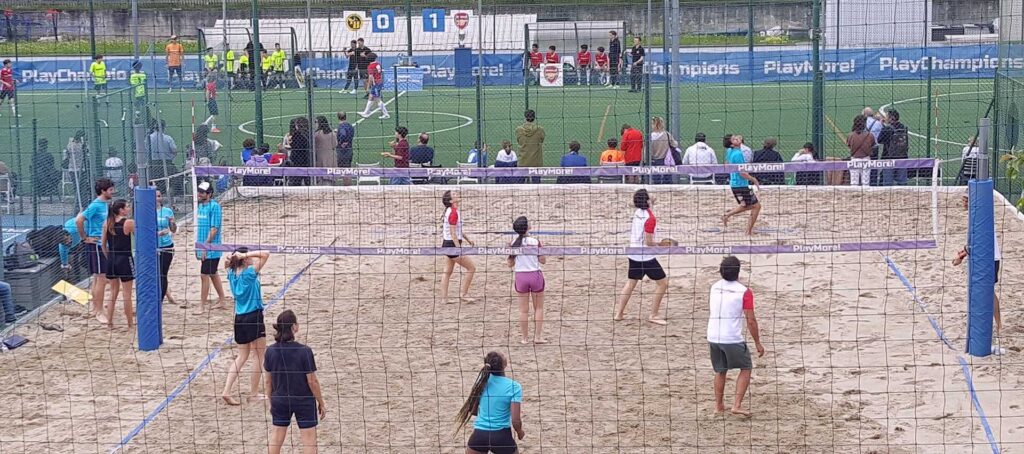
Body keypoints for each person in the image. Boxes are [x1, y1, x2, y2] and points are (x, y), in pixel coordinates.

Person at [707, 256, 765, 417]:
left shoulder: (714, 287)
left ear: (721, 271)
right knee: (746, 368)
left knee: (720, 371)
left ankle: (718, 406)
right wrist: (758, 343)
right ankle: (736, 405)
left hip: (713, 335)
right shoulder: (744, 292)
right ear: (738, 272)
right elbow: (751, 321)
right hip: (731, 338)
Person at [265, 310, 326, 453]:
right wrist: (321, 402)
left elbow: (268, 382)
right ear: (294, 327)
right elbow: (312, 381)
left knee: (276, 438)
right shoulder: (305, 351)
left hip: (280, 399)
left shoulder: (270, 351)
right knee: (309, 441)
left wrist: (271, 401)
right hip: (303, 400)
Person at [952, 192, 1004, 355]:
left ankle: (998, 325)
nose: (963, 202)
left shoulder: (979, 216)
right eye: (963, 199)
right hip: (984, 257)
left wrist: (962, 254)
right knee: (985, 291)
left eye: (966, 199)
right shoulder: (976, 216)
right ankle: (993, 324)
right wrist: (963, 252)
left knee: (988, 291)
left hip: (990, 258)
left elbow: (977, 242)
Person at [219, 247, 270, 406]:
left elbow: (227, 264)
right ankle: (254, 393)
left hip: (239, 318)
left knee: (242, 356)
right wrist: (244, 254)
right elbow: (266, 254)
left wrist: (235, 258)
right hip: (253, 316)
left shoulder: (232, 274)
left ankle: (226, 390)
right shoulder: (248, 274)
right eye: (248, 256)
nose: (252, 258)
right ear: (244, 259)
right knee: (259, 356)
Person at [615, 189, 669, 325]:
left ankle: (619, 314)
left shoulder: (638, 212)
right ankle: (653, 315)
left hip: (632, 253)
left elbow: (650, 201)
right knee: (663, 284)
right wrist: (661, 245)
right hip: (645, 257)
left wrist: (649, 199)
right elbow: (649, 242)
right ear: (646, 201)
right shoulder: (650, 218)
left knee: (631, 283)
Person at [455, 351, 524, 454]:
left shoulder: (481, 381)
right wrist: (520, 432)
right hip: (501, 436)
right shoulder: (514, 386)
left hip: (479, 435)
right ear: (504, 365)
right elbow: (515, 421)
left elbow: (473, 411)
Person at [76, 178, 115, 322]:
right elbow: (79, 220)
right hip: (96, 245)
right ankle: (99, 311)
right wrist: (85, 237)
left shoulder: (105, 204)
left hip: (103, 244)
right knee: (101, 278)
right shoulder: (96, 205)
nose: (113, 192)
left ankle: (94, 308)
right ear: (103, 191)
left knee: (97, 278)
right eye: (110, 190)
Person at [508, 217, 547, 344]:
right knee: (539, 308)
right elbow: (543, 260)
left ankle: (524, 339)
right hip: (535, 275)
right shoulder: (535, 241)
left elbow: (509, 264)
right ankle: (537, 337)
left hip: (521, 277)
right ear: (527, 227)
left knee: (523, 310)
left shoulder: (513, 243)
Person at [101, 199, 135, 329]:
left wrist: (109, 258)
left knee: (113, 292)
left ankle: (109, 322)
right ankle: (130, 324)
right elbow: (140, 237)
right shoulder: (129, 223)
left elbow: (103, 245)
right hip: (125, 259)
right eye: (127, 206)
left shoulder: (107, 223)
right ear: (121, 210)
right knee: (127, 294)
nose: (129, 208)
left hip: (112, 259)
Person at [439, 190, 477, 303]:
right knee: (471, 268)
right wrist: (458, 248)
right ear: (451, 201)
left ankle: (444, 299)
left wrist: (468, 239)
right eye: (454, 194)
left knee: (447, 272)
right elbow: (453, 233)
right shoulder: (453, 212)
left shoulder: (452, 211)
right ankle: (464, 294)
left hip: (447, 244)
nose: (457, 194)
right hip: (452, 245)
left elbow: (457, 230)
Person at [196, 181, 226, 313]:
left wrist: (205, 247)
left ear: (209, 194)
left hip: (211, 248)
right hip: (203, 246)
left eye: (202, 192)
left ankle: (201, 306)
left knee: (204, 275)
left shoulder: (215, 207)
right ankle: (222, 300)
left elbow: (214, 229)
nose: (199, 194)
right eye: (199, 191)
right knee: (213, 273)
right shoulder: (201, 206)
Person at [722, 141, 762, 236]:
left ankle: (727, 215)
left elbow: (726, 164)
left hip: (735, 184)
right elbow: (742, 173)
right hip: (740, 185)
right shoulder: (738, 153)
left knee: (746, 205)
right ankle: (748, 231)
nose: (737, 138)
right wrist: (754, 179)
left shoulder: (729, 151)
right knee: (756, 206)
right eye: (734, 138)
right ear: (732, 144)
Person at [156, 190, 177, 306]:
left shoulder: (167, 211)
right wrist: (157, 233)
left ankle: (160, 299)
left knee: (162, 273)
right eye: (156, 196)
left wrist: (172, 223)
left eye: (159, 196)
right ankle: (166, 294)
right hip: (152, 247)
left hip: (167, 246)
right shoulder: (147, 212)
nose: (158, 198)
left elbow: (173, 230)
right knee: (155, 274)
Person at [878, 109, 909, 185]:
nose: (885, 118)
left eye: (887, 116)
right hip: (902, 156)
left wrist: (883, 127)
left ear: (891, 118)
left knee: (888, 182)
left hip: (888, 157)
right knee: (902, 181)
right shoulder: (903, 128)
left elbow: (879, 140)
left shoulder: (887, 129)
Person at [148, 121, 178, 194]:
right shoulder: (168, 138)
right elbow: (174, 151)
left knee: (155, 182)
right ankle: (170, 200)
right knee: (169, 181)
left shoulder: (149, 138)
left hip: (154, 163)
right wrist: (170, 158)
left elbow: (145, 150)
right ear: (164, 127)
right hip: (167, 162)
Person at [515, 109, 545, 183]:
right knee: (537, 185)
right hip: (536, 162)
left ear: (525, 117)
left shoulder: (519, 130)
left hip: (523, 161)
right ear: (534, 118)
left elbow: (519, 141)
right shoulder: (539, 130)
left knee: (520, 184)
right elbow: (541, 140)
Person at [358, 53, 390, 119]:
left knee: (377, 98)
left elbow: (370, 77)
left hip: (376, 83)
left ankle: (386, 114)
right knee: (371, 97)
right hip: (379, 81)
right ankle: (366, 112)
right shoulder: (378, 64)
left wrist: (367, 87)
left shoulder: (370, 66)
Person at [846, 114, 875, 186]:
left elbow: (849, 146)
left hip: (855, 159)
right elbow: (873, 145)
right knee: (866, 182)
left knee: (854, 182)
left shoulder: (851, 135)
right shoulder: (870, 135)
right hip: (866, 159)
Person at [649, 116, 678, 183]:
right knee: (667, 179)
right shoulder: (667, 134)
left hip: (654, 160)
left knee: (656, 179)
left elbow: (647, 150)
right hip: (666, 160)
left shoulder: (650, 136)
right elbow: (674, 144)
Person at [336, 113, 355, 184]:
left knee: (343, 170)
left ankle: (346, 186)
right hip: (350, 149)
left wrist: (342, 142)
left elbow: (343, 134)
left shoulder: (341, 126)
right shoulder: (350, 126)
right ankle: (348, 185)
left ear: (338, 118)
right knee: (348, 169)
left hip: (343, 151)